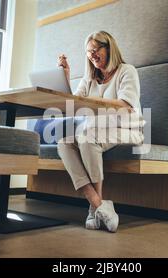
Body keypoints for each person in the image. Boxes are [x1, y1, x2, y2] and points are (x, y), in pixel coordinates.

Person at [57, 31, 144, 232]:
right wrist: (65, 77)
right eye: (88, 52)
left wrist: (91, 103)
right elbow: (72, 106)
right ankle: (98, 204)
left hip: (127, 129)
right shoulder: (89, 79)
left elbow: (125, 104)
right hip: (96, 131)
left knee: (87, 138)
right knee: (64, 143)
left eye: (96, 50)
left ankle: (93, 210)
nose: (92, 55)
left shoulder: (126, 71)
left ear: (109, 48)